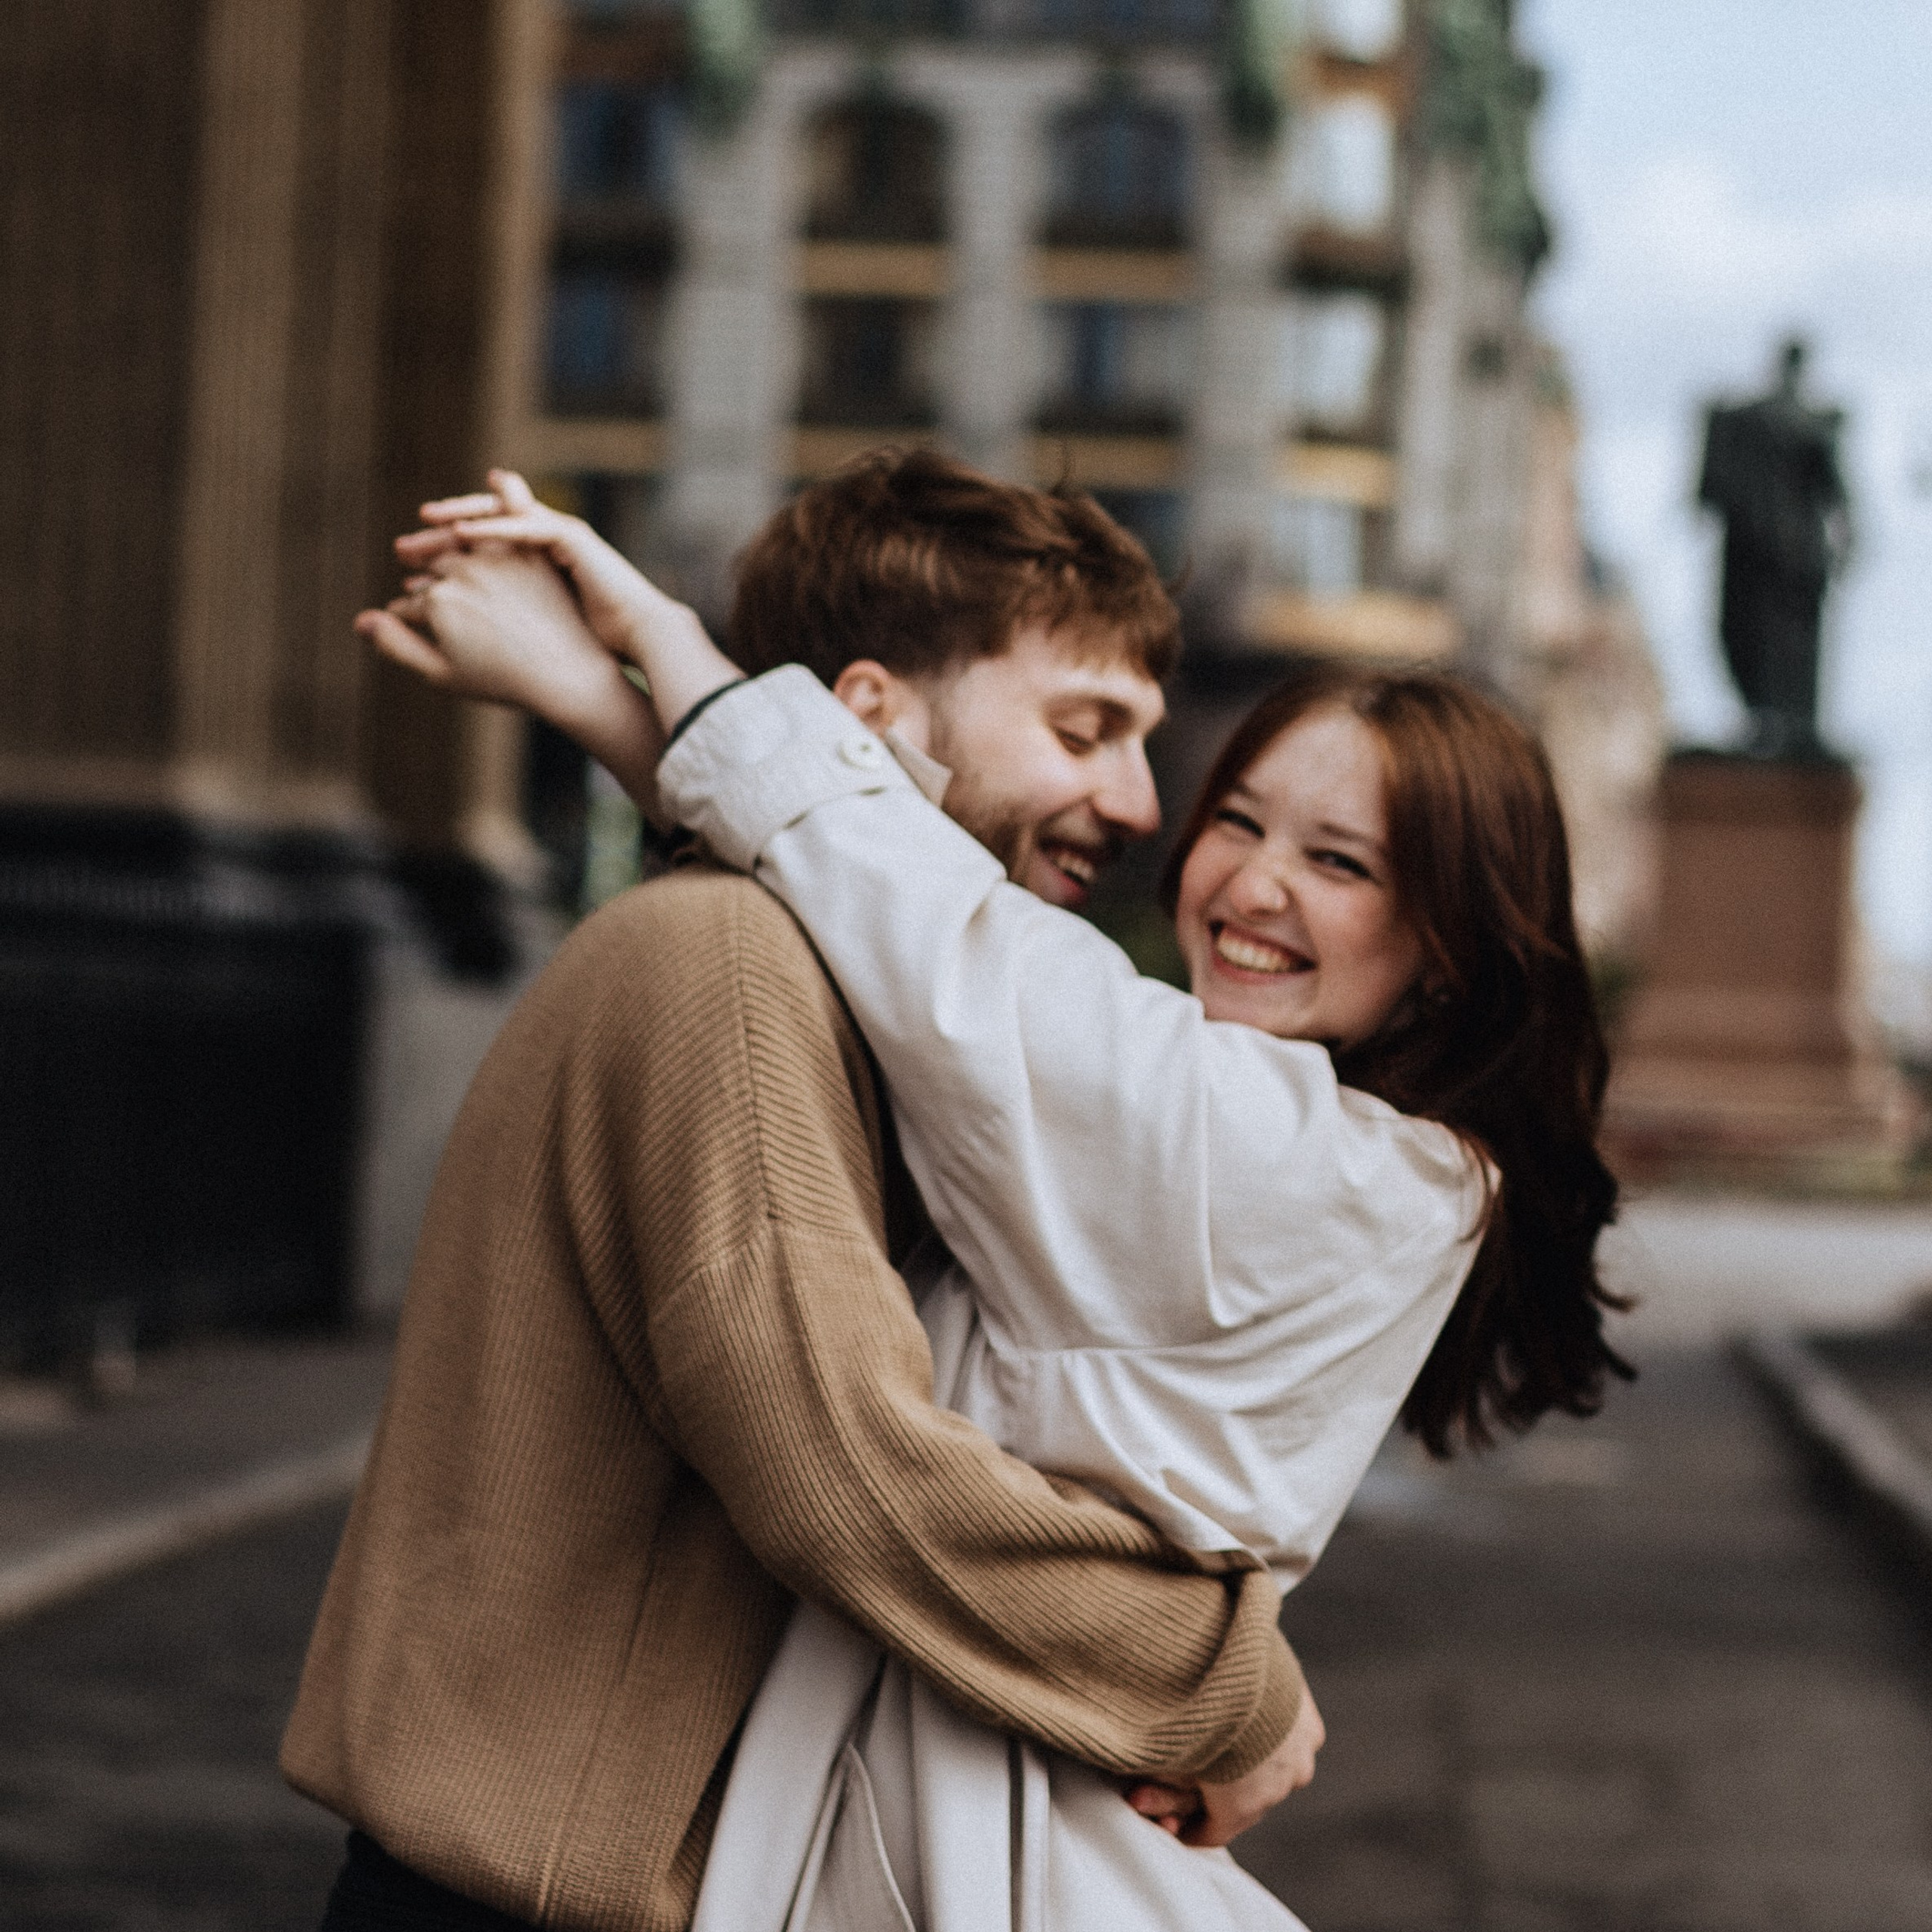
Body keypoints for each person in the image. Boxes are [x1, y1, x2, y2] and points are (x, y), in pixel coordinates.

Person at [366, 456, 1630, 1931]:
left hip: (877, 1818)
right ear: (864, 718)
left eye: (1338, 859)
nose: (1155, 814)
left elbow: (944, 942)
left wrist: (617, 688)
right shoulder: (727, 966)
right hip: (578, 1867)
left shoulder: (1280, 1139)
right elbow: (848, 1471)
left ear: (1447, 943)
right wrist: (1227, 1691)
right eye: (1086, 729)